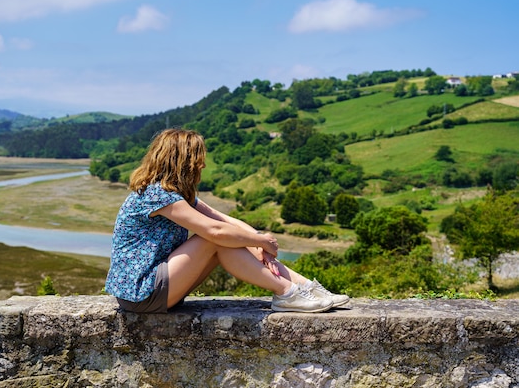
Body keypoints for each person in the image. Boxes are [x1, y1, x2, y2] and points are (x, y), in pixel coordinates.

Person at [104, 128, 349, 314]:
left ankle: (303, 286)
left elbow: (225, 220)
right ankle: (285, 293)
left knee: (226, 237)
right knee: (214, 240)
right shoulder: (157, 195)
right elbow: (216, 232)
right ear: (184, 162)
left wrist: (259, 244)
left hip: (154, 289)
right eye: (198, 158)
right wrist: (260, 240)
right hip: (140, 294)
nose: (203, 164)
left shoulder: (175, 195)